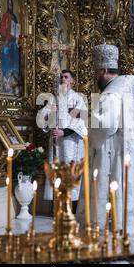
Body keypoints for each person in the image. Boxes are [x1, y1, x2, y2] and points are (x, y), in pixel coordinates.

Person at [77, 44, 134, 238]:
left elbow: (106, 126)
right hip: (122, 157)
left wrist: (84, 117)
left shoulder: (111, 94)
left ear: (103, 70)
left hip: (110, 159)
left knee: (109, 210)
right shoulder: (125, 90)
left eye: (96, 72)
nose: (95, 77)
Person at [38, 70, 87, 214]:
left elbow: (81, 122)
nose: (62, 79)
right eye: (61, 77)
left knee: (71, 173)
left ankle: (72, 210)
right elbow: (42, 120)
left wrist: (64, 132)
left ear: (72, 80)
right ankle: (56, 209)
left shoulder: (77, 99)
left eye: (66, 77)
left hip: (71, 144)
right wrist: (49, 112)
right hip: (56, 145)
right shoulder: (53, 99)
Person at [0, 0, 21, 94]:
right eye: (9, 4)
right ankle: (5, 83)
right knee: (6, 60)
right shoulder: (5, 16)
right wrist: (6, 37)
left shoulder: (14, 17)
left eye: (11, 4)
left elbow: (16, 28)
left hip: (13, 43)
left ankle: (14, 83)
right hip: (7, 42)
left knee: (14, 62)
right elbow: (3, 28)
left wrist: (17, 37)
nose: (10, 6)